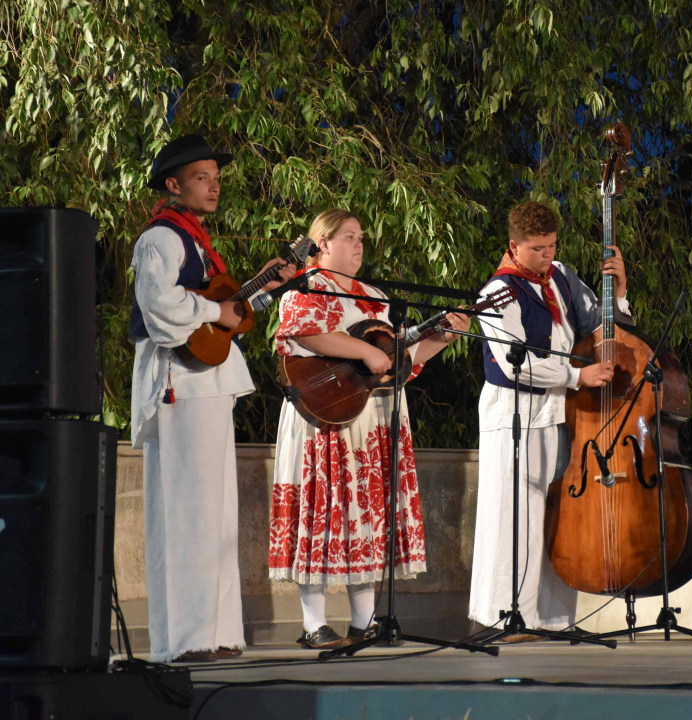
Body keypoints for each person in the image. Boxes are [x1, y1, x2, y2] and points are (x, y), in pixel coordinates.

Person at [268, 209, 470, 649]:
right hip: (325, 413)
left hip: (374, 414)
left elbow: (401, 360)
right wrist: (362, 350)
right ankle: (313, 623)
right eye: (349, 236)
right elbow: (302, 333)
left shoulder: (376, 297)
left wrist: (442, 337)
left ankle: (364, 621)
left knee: (366, 515)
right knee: (323, 509)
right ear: (322, 243)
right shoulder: (306, 287)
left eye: (361, 237)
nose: (359, 244)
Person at [129, 134, 296, 662]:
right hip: (180, 383)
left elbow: (228, 315)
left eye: (217, 178)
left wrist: (267, 289)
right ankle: (185, 638)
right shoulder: (161, 237)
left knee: (216, 513)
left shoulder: (197, 242)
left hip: (207, 383)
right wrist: (215, 312)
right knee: (187, 513)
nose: (214, 185)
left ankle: (218, 631)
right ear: (173, 185)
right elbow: (161, 305)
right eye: (202, 177)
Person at [468, 200, 629, 639]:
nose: (546, 255)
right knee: (513, 518)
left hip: (558, 413)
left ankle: (554, 618)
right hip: (514, 414)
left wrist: (619, 292)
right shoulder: (497, 292)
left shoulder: (561, 276)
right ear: (513, 246)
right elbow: (513, 363)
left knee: (557, 516)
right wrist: (576, 376)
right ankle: (505, 616)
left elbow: (599, 328)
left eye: (552, 246)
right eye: (537, 248)